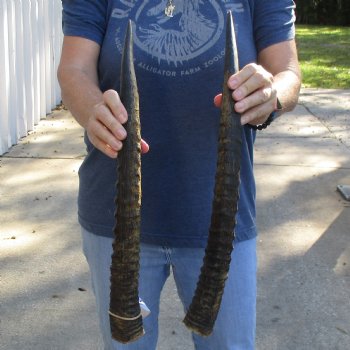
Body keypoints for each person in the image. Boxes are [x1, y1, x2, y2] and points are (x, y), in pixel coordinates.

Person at [58, 1, 301, 349]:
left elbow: (289, 72)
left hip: (223, 218)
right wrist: (93, 108)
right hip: (117, 216)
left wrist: (272, 93)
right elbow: (74, 70)